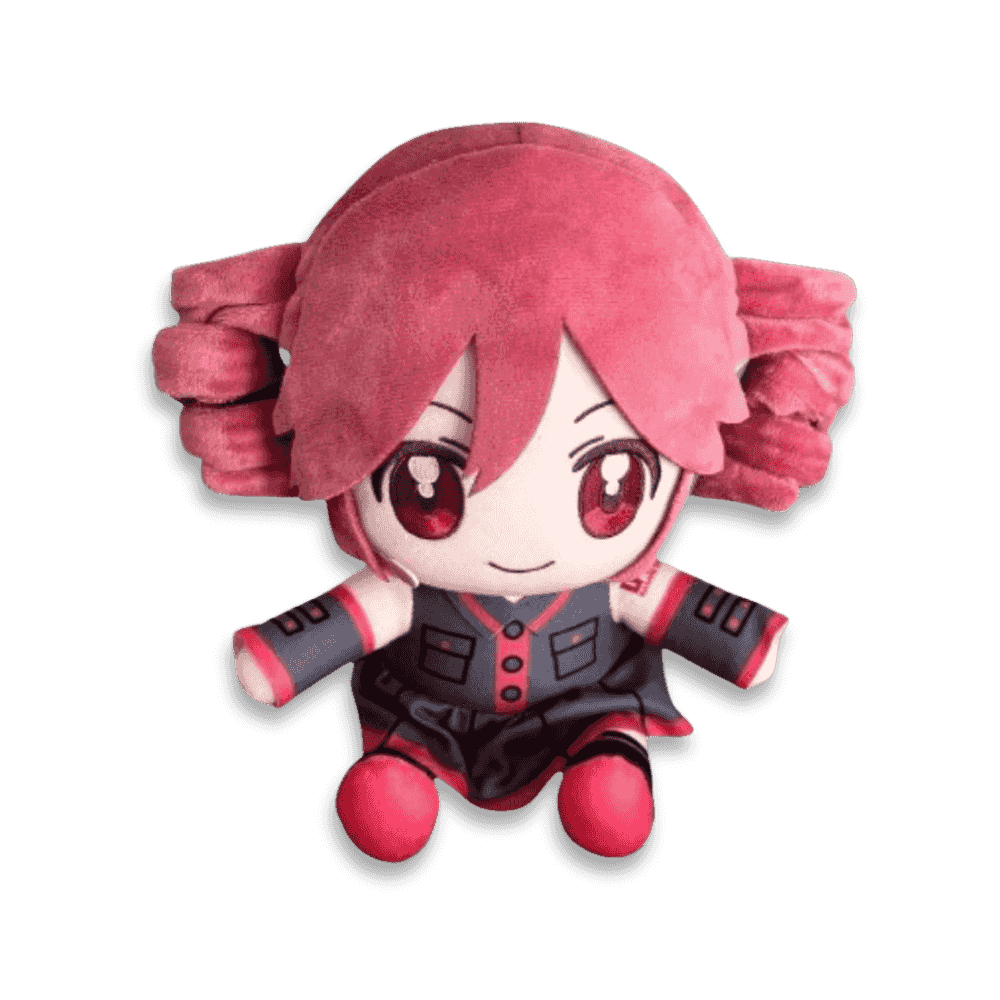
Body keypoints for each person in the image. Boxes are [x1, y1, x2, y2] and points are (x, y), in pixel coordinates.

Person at [153, 122, 856, 863]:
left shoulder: (618, 584)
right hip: (428, 710)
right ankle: (404, 773)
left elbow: (685, 612)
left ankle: (605, 766)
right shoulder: (405, 586)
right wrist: (280, 656)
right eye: (427, 488)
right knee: (391, 797)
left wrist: (741, 642)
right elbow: (346, 621)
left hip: (589, 703)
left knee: (608, 791)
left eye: (611, 486)